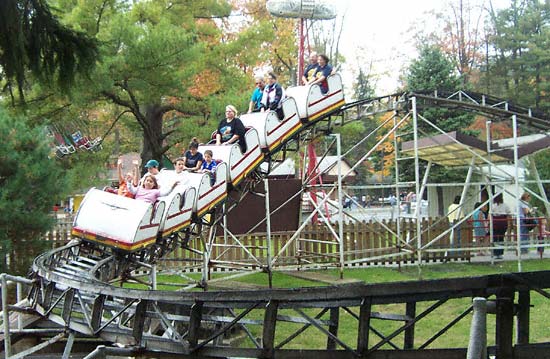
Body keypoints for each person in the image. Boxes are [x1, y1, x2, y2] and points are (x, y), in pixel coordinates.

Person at [491, 193, 511, 259]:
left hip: (497, 222)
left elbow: (490, 215)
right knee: (500, 238)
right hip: (502, 222)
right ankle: (499, 253)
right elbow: (509, 214)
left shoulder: (493, 206)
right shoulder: (505, 205)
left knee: (496, 238)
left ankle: (496, 253)